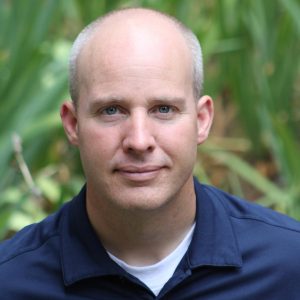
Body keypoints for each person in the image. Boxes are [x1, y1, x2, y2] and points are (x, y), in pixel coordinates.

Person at [1, 7, 300, 300]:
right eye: (112, 110)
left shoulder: (289, 266)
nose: (139, 140)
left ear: (202, 120)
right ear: (73, 124)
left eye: (164, 109)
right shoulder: (11, 282)